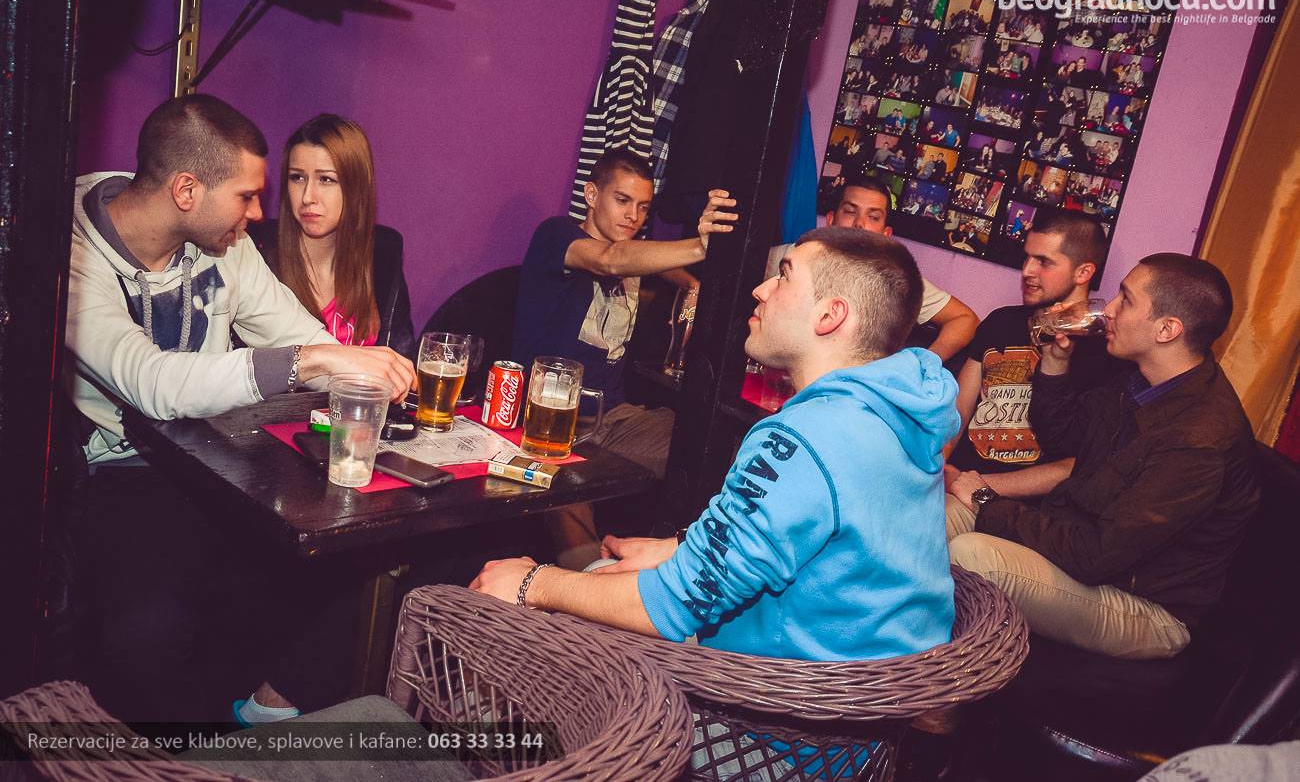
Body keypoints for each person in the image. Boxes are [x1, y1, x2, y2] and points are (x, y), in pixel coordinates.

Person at [473, 228, 959, 772]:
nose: (760, 290)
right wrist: (684, 549)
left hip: (763, 740)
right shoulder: (896, 414)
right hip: (858, 742)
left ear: (829, 316)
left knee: (500, 626)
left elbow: (672, 607)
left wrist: (533, 582)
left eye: (784, 276)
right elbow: (822, 538)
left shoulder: (806, 439)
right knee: (601, 572)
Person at [64, 94, 416, 721]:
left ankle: (260, 720)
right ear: (187, 190)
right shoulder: (72, 252)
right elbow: (152, 383)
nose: (259, 212)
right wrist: (310, 361)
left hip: (215, 459)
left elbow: (293, 329)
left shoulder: (226, 243)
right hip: (119, 470)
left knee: (352, 559)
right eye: (248, 196)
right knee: (153, 626)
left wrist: (360, 370)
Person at [946, 254, 1258, 659]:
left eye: (1126, 300)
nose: (1108, 308)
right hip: (1087, 552)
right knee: (939, 516)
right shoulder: (1142, 381)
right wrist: (1055, 364)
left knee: (973, 554)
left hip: (1147, 607)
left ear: (1167, 329)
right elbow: (1065, 438)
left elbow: (1097, 555)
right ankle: (879, 656)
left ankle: (940, 689)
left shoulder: (1198, 439)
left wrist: (988, 500)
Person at [512, 148, 736, 567]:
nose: (633, 216)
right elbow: (609, 260)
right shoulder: (556, 235)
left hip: (614, 419)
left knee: (713, 440)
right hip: (547, 420)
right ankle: (592, 588)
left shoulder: (630, 249)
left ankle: (680, 567)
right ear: (591, 195)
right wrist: (700, 246)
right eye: (622, 200)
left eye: (644, 207)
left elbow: (641, 258)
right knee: (561, 484)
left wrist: (691, 285)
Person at [946, 209, 1122, 490]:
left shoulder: (1107, 352)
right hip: (955, 479)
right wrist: (936, 466)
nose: (1027, 271)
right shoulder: (1000, 321)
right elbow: (958, 410)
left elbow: (1076, 465)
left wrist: (978, 487)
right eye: (1027, 257)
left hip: (1007, 500)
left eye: (1043, 262)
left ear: (1083, 272)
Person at [246, 114, 414, 359]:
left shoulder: (382, 251)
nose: (307, 197)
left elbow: (399, 356)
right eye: (297, 177)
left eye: (326, 179)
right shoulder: (257, 252)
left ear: (356, 188)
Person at [765, 179, 978, 361]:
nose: (859, 223)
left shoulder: (897, 280)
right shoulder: (785, 258)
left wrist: (921, 365)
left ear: (886, 234)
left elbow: (964, 319)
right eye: (850, 212)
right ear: (830, 220)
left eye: (873, 217)